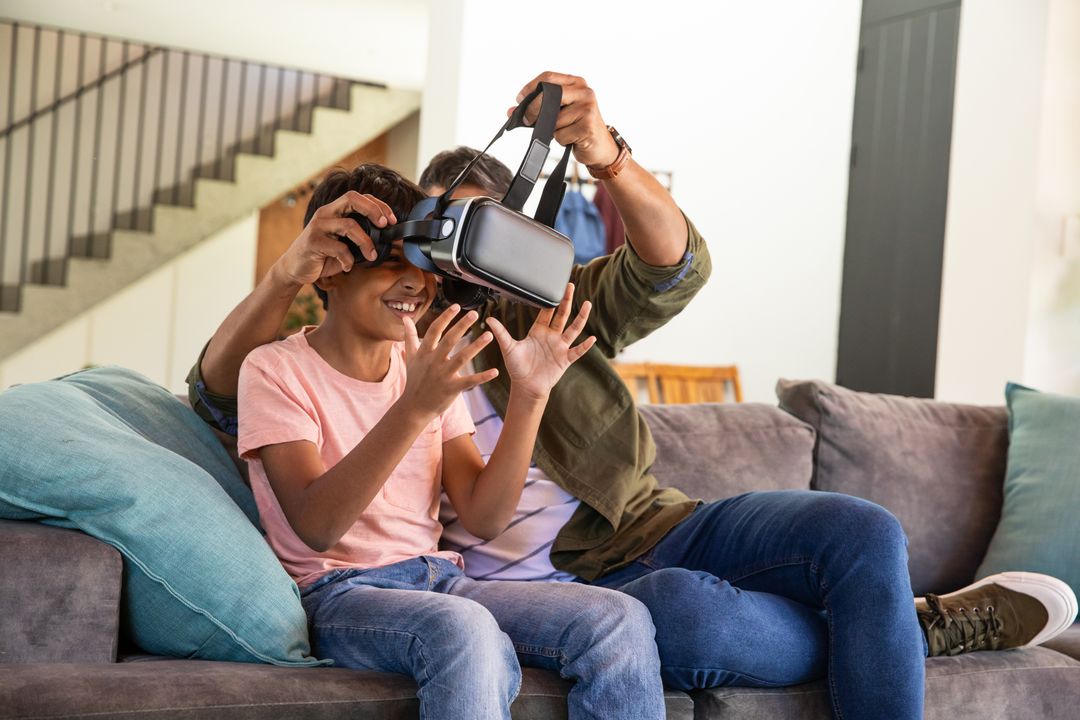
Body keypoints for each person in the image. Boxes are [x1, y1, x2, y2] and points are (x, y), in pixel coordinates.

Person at [189, 72, 1077, 719]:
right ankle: (900, 631)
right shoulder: (387, 343)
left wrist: (602, 151)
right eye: (436, 233)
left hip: (657, 524)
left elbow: (674, 266)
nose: (450, 258)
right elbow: (219, 390)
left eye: (479, 231)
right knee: (680, 620)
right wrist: (289, 277)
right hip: (558, 578)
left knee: (864, 531)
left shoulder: (540, 302)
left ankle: (890, 618)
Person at [234, 162, 666, 720]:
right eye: (391, 264)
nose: (416, 283)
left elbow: (484, 516)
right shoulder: (274, 370)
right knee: (464, 629)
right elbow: (316, 527)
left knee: (617, 618)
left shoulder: (423, 365)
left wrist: (531, 395)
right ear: (331, 271)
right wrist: (414, 407)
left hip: (440, 580)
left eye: (423, 264)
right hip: (339, 595)